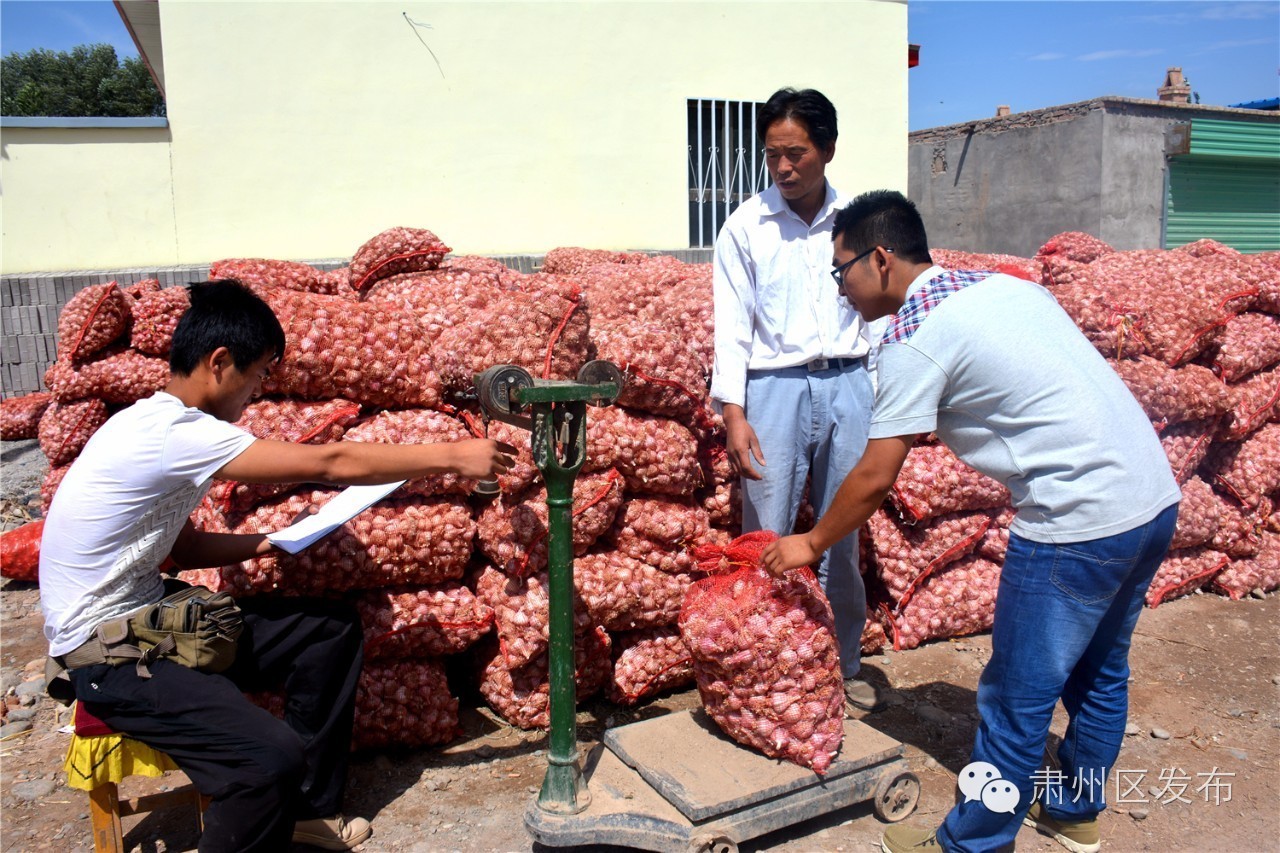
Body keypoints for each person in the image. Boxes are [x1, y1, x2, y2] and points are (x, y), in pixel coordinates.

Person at [761, 190, 1180, 853]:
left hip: (1077, 520)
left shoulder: (917, 340)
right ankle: (1075, 811)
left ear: (880, 259)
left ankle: (972, 844)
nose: (839, 289)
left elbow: (873, 477)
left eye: (841, 271)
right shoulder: (1002, 291)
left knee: (1016, 694)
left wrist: (809, 542)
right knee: (1101, 672)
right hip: (1152, 499)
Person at [39, 280, 516, 853]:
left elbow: (186, 550)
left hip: (150, 620)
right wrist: (450, 455)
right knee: (266, 758)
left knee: (328, 630)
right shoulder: (173, 435)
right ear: (219, 363)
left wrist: (272, 542)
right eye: (259, 373)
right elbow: (330, 460)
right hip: (107, 654)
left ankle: (307, 818)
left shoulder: (150, 426)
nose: (260, 390)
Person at [709, 87, 881, 711]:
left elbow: (885, 311)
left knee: (843, 531)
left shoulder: (859, 224)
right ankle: (766, 665)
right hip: (772, 390)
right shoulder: (745, 226)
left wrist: (883, 389)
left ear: (828, 150)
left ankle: (844, 664)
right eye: (772, 155)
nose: (783, 168)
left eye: (796, 154)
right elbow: (731, 324)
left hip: (848, 383)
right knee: (766, 531)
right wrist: (734, 411)